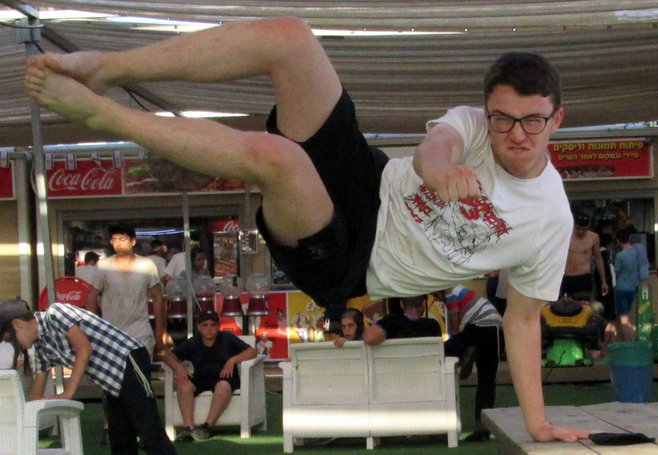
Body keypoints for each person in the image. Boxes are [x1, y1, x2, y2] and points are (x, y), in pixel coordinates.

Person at [24, 17, 590, 442]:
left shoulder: (548, 219)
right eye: (503, 118)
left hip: (352, 263)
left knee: (280, 160)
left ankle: (103, 114)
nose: (516, 134)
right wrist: (439, 169)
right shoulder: (473, 125)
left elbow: (521, 322)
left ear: (556, 119)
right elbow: (435, 149)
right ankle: (107, 68)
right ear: (490, 110)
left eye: (533, 121)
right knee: (291, 38)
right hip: (367, 181)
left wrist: (537, 424)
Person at [0, 299, 176, 454]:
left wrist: (68, 393)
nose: (12, 344)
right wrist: (17, 419)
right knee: (120, 439)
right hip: (110, 380)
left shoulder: (56, 313)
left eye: (10, 339)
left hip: (128, 360)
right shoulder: (41, 347)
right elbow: (35, 394)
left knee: (149, 431)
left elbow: (84, 349)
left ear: (17, 324)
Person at [161, 309, 257, 442]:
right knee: (183, 384)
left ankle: (207, 427)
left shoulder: (227, 338)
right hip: (202, 376)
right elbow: (164, 354)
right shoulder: (194, 342)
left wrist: (232, 360)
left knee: (223, 385)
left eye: (213, 325)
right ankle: (188, 428)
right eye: (205, 325)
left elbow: (252, 352)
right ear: (199, 327)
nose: (209, 329)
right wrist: (179, 368)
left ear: (218, 326)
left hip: (225, 377)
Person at [85, 224, 167, 358]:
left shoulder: (146, 265)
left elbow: (158, 298)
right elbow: (91, 299)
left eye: (122, 239)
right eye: (114, 240)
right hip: (110, 334)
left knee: (140, 376)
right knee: (114, 378)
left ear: (133, 241)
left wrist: (159, 333)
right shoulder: (103, 266)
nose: (117, 243)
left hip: (140, 332)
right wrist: (95, 330)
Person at [436, 285, 503, 442]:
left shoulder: (450, 294)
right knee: (487, 381)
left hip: (475, 329)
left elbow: (454, 329)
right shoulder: (460, 290)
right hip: (495, 328)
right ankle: (482, 430)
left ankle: (468, 351)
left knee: (440, 351)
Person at [560, 213, 608, 301]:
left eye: (584, 229)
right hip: (567, 277)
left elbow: (598, 259)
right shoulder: (565, 235)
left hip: (584, 278)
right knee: (564, 308)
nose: (581, 232)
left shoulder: (594, 237)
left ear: (588, 227)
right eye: (578, 229)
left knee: (583, 308)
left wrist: (603, 281)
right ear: (574, 225)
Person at [363, 295, 441, 344]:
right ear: (424, 303)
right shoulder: (433, 325)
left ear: (401, 304)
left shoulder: (390, 322)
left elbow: (369, 337)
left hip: (395, 368)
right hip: (426, 368)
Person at [613, 229, 641, 341]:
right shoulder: (637, 253)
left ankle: (629, 343)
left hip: (621, 288)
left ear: (618, 241)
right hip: (633, 288)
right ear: (629, 238)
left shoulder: (620, 256)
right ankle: (631, 340)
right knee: (627, 316)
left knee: (623, 319)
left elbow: (615, 273)